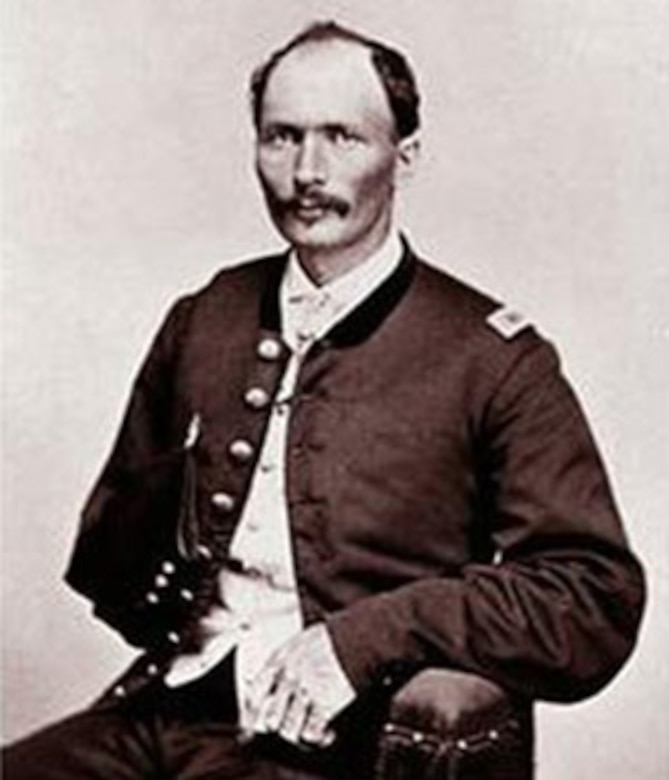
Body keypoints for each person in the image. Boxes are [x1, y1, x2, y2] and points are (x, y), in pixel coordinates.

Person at [3, 20, 645, 779]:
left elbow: (590, 595)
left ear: (403, 157)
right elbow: (111, 565)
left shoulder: (493, 358)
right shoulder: (205, 316)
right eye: (281, 137)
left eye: (342, 137)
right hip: (166, 710)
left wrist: (365, 638)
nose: (307, 170)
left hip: (340, 749)